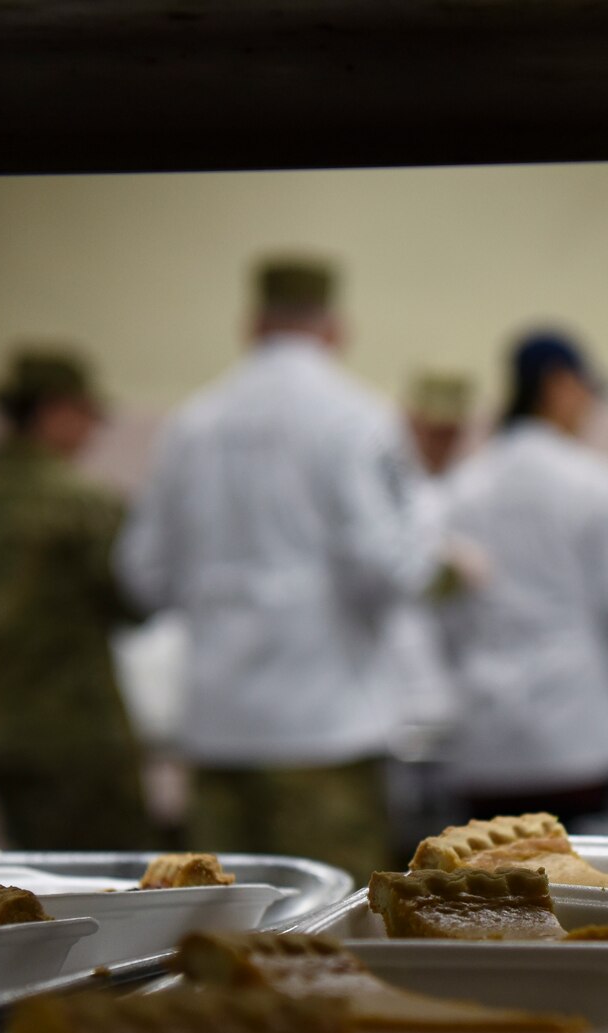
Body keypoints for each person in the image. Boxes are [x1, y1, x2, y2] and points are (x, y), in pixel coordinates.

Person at [114, 256, 438, 878]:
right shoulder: (356, 418)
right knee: (327, 942)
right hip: (327, 737)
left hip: (218, 735)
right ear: (336, 330)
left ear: (251, 326)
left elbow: (142, 576)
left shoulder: (192, 424)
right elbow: (387, 569)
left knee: (229, 935)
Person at [0, 348, 152, 850]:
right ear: (54, 412)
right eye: (86, 417)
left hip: (0, 733)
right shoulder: (89, 505)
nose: (90, 433)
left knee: (34, 876)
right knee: (114, 884)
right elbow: (137, 603)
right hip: (82, 735)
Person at [437, 329, 608, 821]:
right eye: (587, 393)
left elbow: (447, 617)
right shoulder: (599, 484)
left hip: (487, 745)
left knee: (488, 891)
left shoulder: (462, 489)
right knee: (582, 892)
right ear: (558, 386)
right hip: (577, 741)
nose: (590, 409)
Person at [381, 371, 476, 733]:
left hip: (457, 684)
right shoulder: (384, 491)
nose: (444, 441)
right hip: (395, 684)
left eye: (453, 431)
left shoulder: (471, 489)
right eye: (434, 429)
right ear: (410, 423)